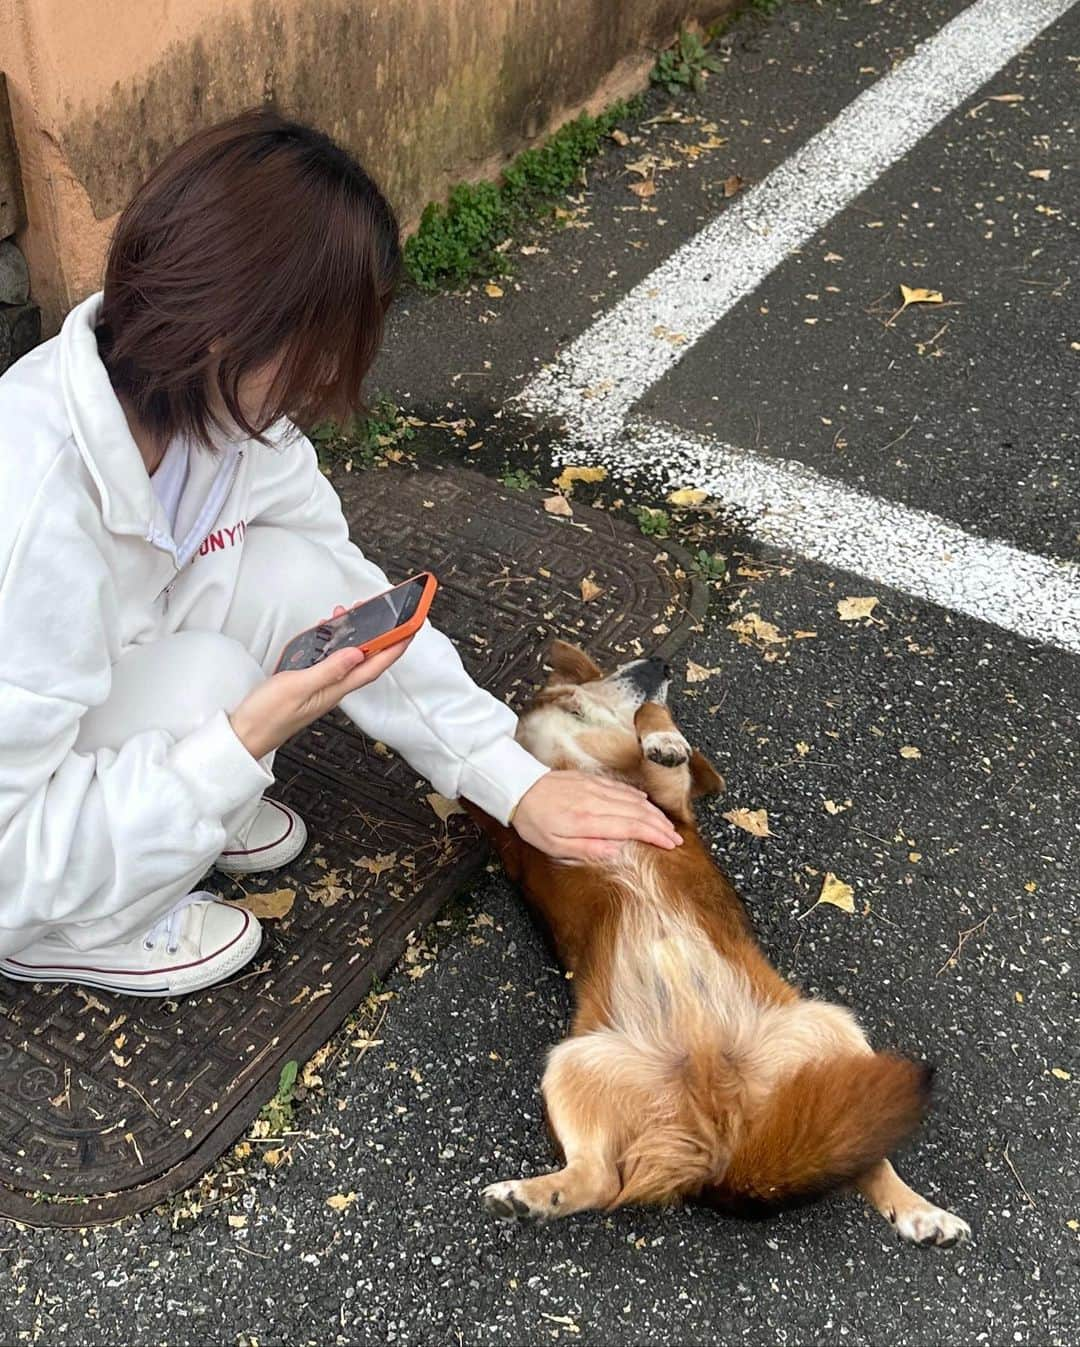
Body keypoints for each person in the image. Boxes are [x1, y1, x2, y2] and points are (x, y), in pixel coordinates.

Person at [0, 109, 681, 997]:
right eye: (319, 349)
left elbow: (348, 596)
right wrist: (236, 743)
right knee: (212, 684)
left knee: (296, 576)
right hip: (14, 860)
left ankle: (171, 809)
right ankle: (78, 931)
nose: (327, 384)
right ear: (229, 330)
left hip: (98, 694)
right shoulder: (33, 508)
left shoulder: (224, 411)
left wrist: (511, 782)